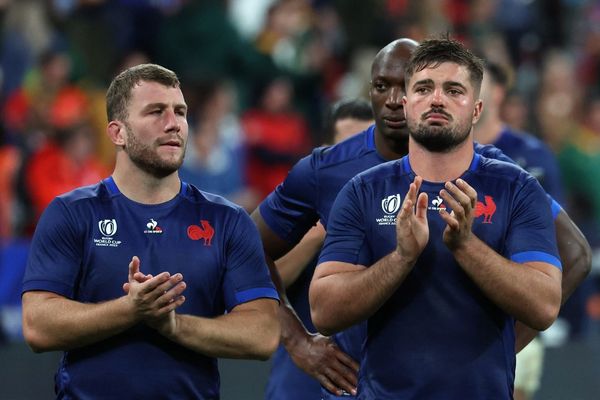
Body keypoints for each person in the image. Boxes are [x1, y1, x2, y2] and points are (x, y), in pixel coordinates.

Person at [253, 38, 591, 399]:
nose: (400, 100)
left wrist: (504, 344)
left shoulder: (510, 182)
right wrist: (297, 340)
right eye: (419, 88)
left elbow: (569, 264)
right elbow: (254, 253)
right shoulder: (347, 181)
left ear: (476, 109)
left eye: (451, 90)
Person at [21, 63, 280, 399]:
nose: (174, 124)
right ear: (118, 133)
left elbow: (263, 335)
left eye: (180, 112)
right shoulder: (71, 213)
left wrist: (173, 325)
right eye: (156, 112)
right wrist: (129, 310)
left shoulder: (227, 220)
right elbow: (37, 325)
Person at [264, 98, 374, 399]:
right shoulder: (303, 210)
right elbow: (255, 270)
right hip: (301, 378)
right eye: (351, 146)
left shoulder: (386, 212)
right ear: (330, 149)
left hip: (372, 376)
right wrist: (319, 233)